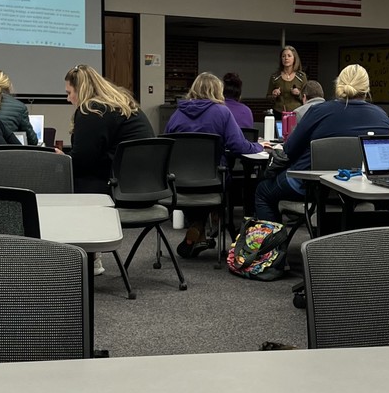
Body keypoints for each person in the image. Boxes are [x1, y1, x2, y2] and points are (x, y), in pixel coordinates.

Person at [255, 64, 389, 221]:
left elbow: (290, 149)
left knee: (262, 192)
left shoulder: (319, 111)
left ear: (339, 84)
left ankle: (273, 244)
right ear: (367, 88)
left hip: (310, 187)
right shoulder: (381, 117)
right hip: (360, 189)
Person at [164, 72, 266, 257]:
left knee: (197, 184)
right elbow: (238, 144)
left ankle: (198, 229)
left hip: (180, 181)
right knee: (218, 180)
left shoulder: (177, 114)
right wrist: (258, 145)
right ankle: (204, 227)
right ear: (217, 90)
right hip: (214, 179)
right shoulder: (221, 112)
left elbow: (166, 146)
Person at [63, 64, 153, 194]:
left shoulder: (91, 110)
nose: (68, 98)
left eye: (69, 93)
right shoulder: (122, 104)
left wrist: (63, 160)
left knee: (60, 182)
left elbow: (81, 162)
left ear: (80, 90)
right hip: (145, 182)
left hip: (118, 186)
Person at [266, 45, 308, 118]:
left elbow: (307, 98)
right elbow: (268, 97)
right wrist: (274, 95)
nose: (286, 58)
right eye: (283, 56)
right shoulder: (275, 77)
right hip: (279, 113)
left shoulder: (301, 76)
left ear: (294, 58)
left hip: (297, 113)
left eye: (289, 56)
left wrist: (298, 94)